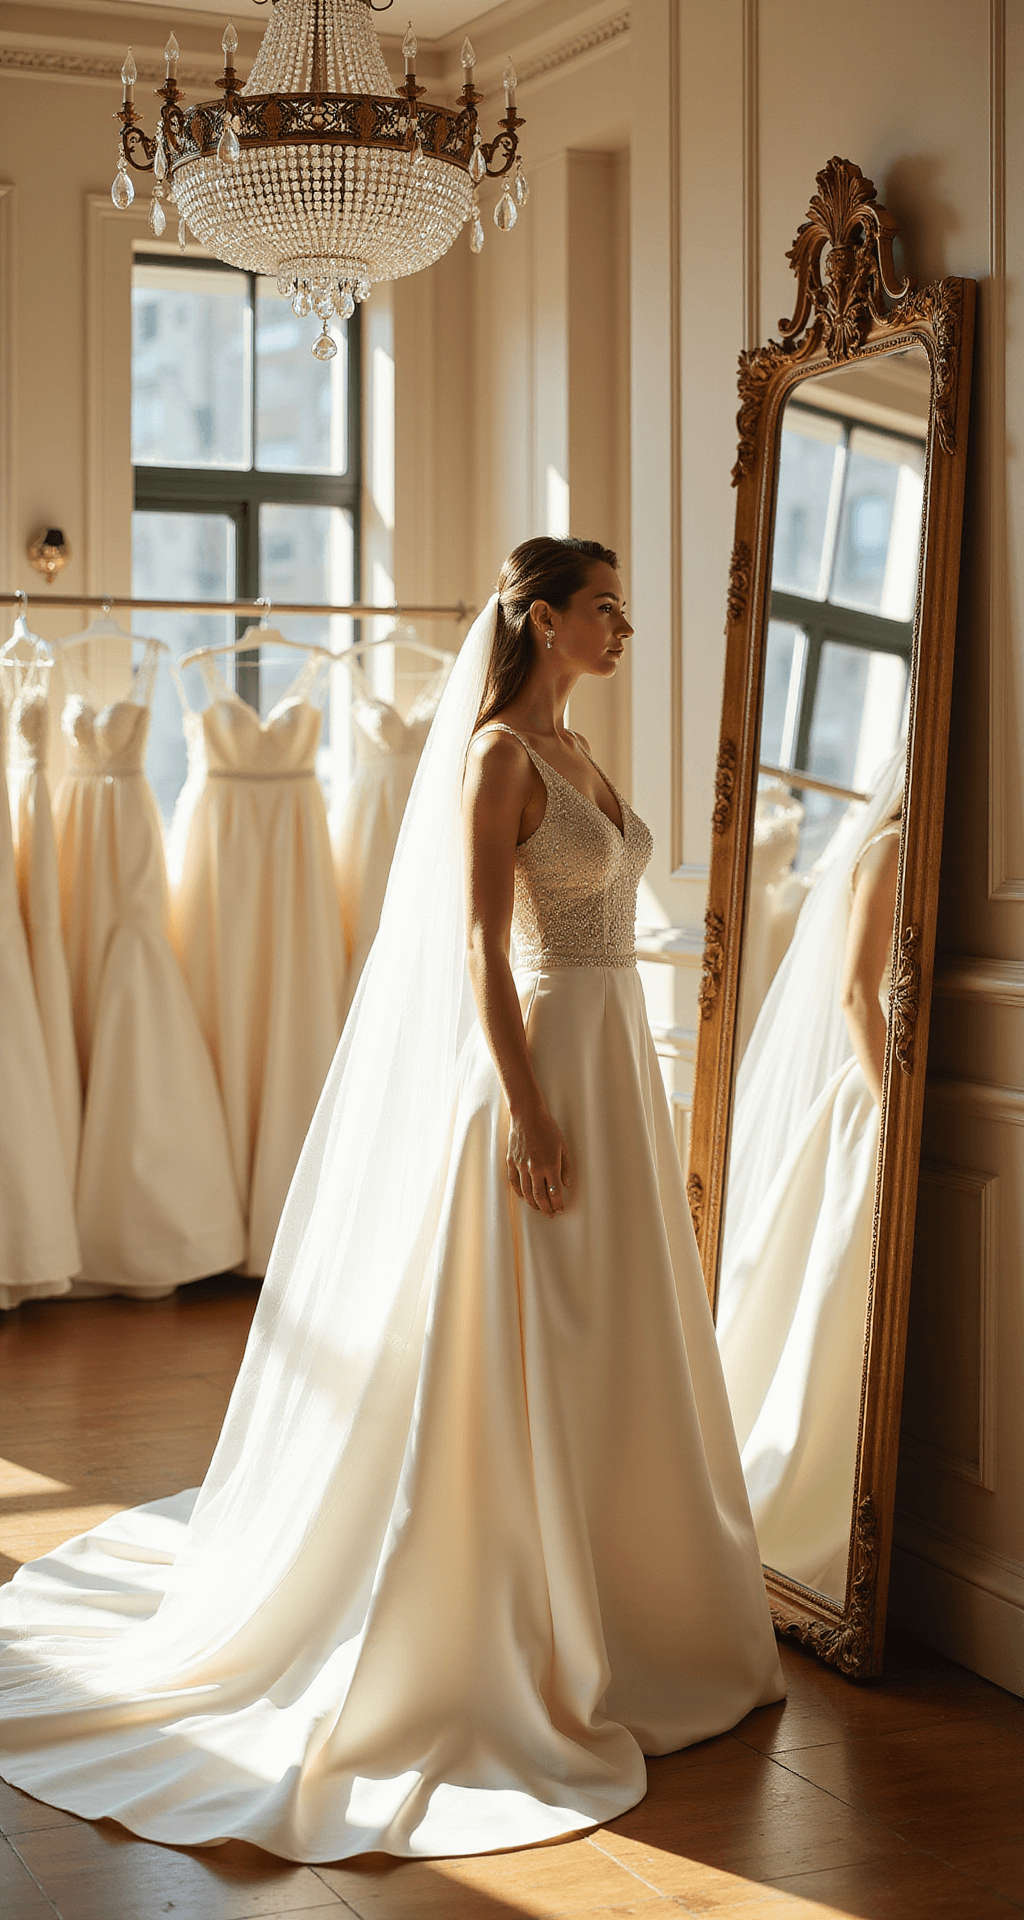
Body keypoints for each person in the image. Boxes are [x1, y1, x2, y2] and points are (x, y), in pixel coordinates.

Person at [0, 537, 783, 1863]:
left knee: (618, 1329)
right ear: (543, 620)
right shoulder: (498, 759)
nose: (622, 628)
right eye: (604, 609)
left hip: (612, 1065)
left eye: (619, 610)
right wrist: (528, 1106)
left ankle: (631, 1593)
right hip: (545, 1066)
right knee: (537, 1328)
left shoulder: (581, 750)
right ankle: (514, 1606)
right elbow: (479, 943)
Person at [716, 751, 905, 1600]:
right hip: (876, 1100)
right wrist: (896, 1113)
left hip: (899, 1093)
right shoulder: (891, 849)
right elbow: (859, 997)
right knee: (841, 1303)